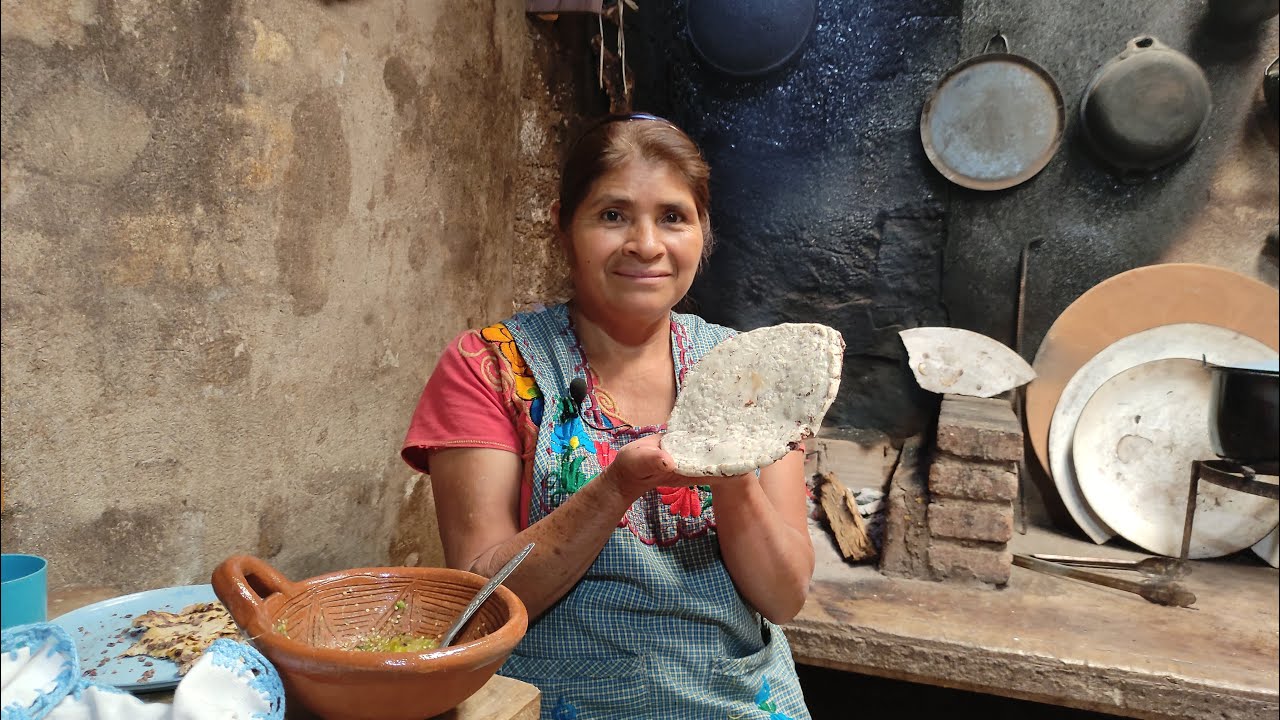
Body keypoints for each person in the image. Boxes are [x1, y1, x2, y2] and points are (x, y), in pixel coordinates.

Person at [401, 112, 814, 720]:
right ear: (564, 227)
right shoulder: (492, 366)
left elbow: (783, 597)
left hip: (734, 698)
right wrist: (615, 488)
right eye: (613, 215)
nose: (646, 244)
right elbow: (481, 600)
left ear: (703, 231)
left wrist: (730, 479)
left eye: (673, 216)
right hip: (549, 700)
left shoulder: (748, 373)